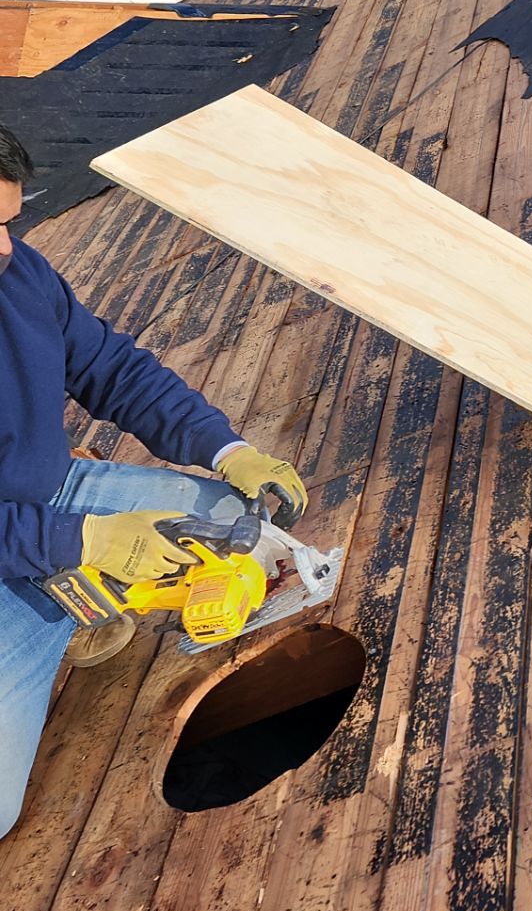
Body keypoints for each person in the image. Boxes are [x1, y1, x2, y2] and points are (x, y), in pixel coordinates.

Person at [0, 123, 309, 837]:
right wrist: (89, 539)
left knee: (233, 527)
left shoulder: (17, 271)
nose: (6, 249)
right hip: (32, 532)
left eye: (11, 222)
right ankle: (55, 605)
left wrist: (226, 449)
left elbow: (110, 368)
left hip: (49, 500)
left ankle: (68, 606)